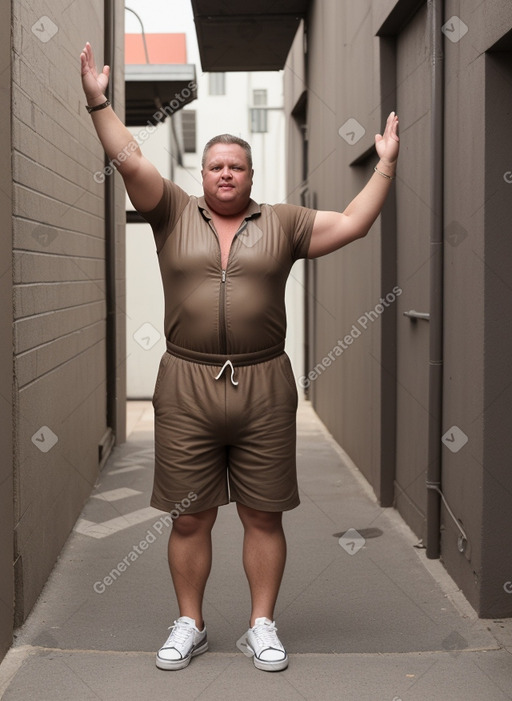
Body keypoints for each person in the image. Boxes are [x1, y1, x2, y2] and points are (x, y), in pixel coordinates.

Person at [80, 41, 399, 673]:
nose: (226, 174)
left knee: (263, 512)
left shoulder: (283, 223)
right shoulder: (171, 212)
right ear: (203, 175)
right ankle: (191, 623)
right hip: (187, 382)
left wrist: (384, 165)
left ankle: (260, 625)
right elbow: (127, 155)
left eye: (237, 167)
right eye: (216, 166)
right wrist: (98, 100)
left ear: (252, 177)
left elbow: (355, 224)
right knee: (189, 516)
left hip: (263, 384)